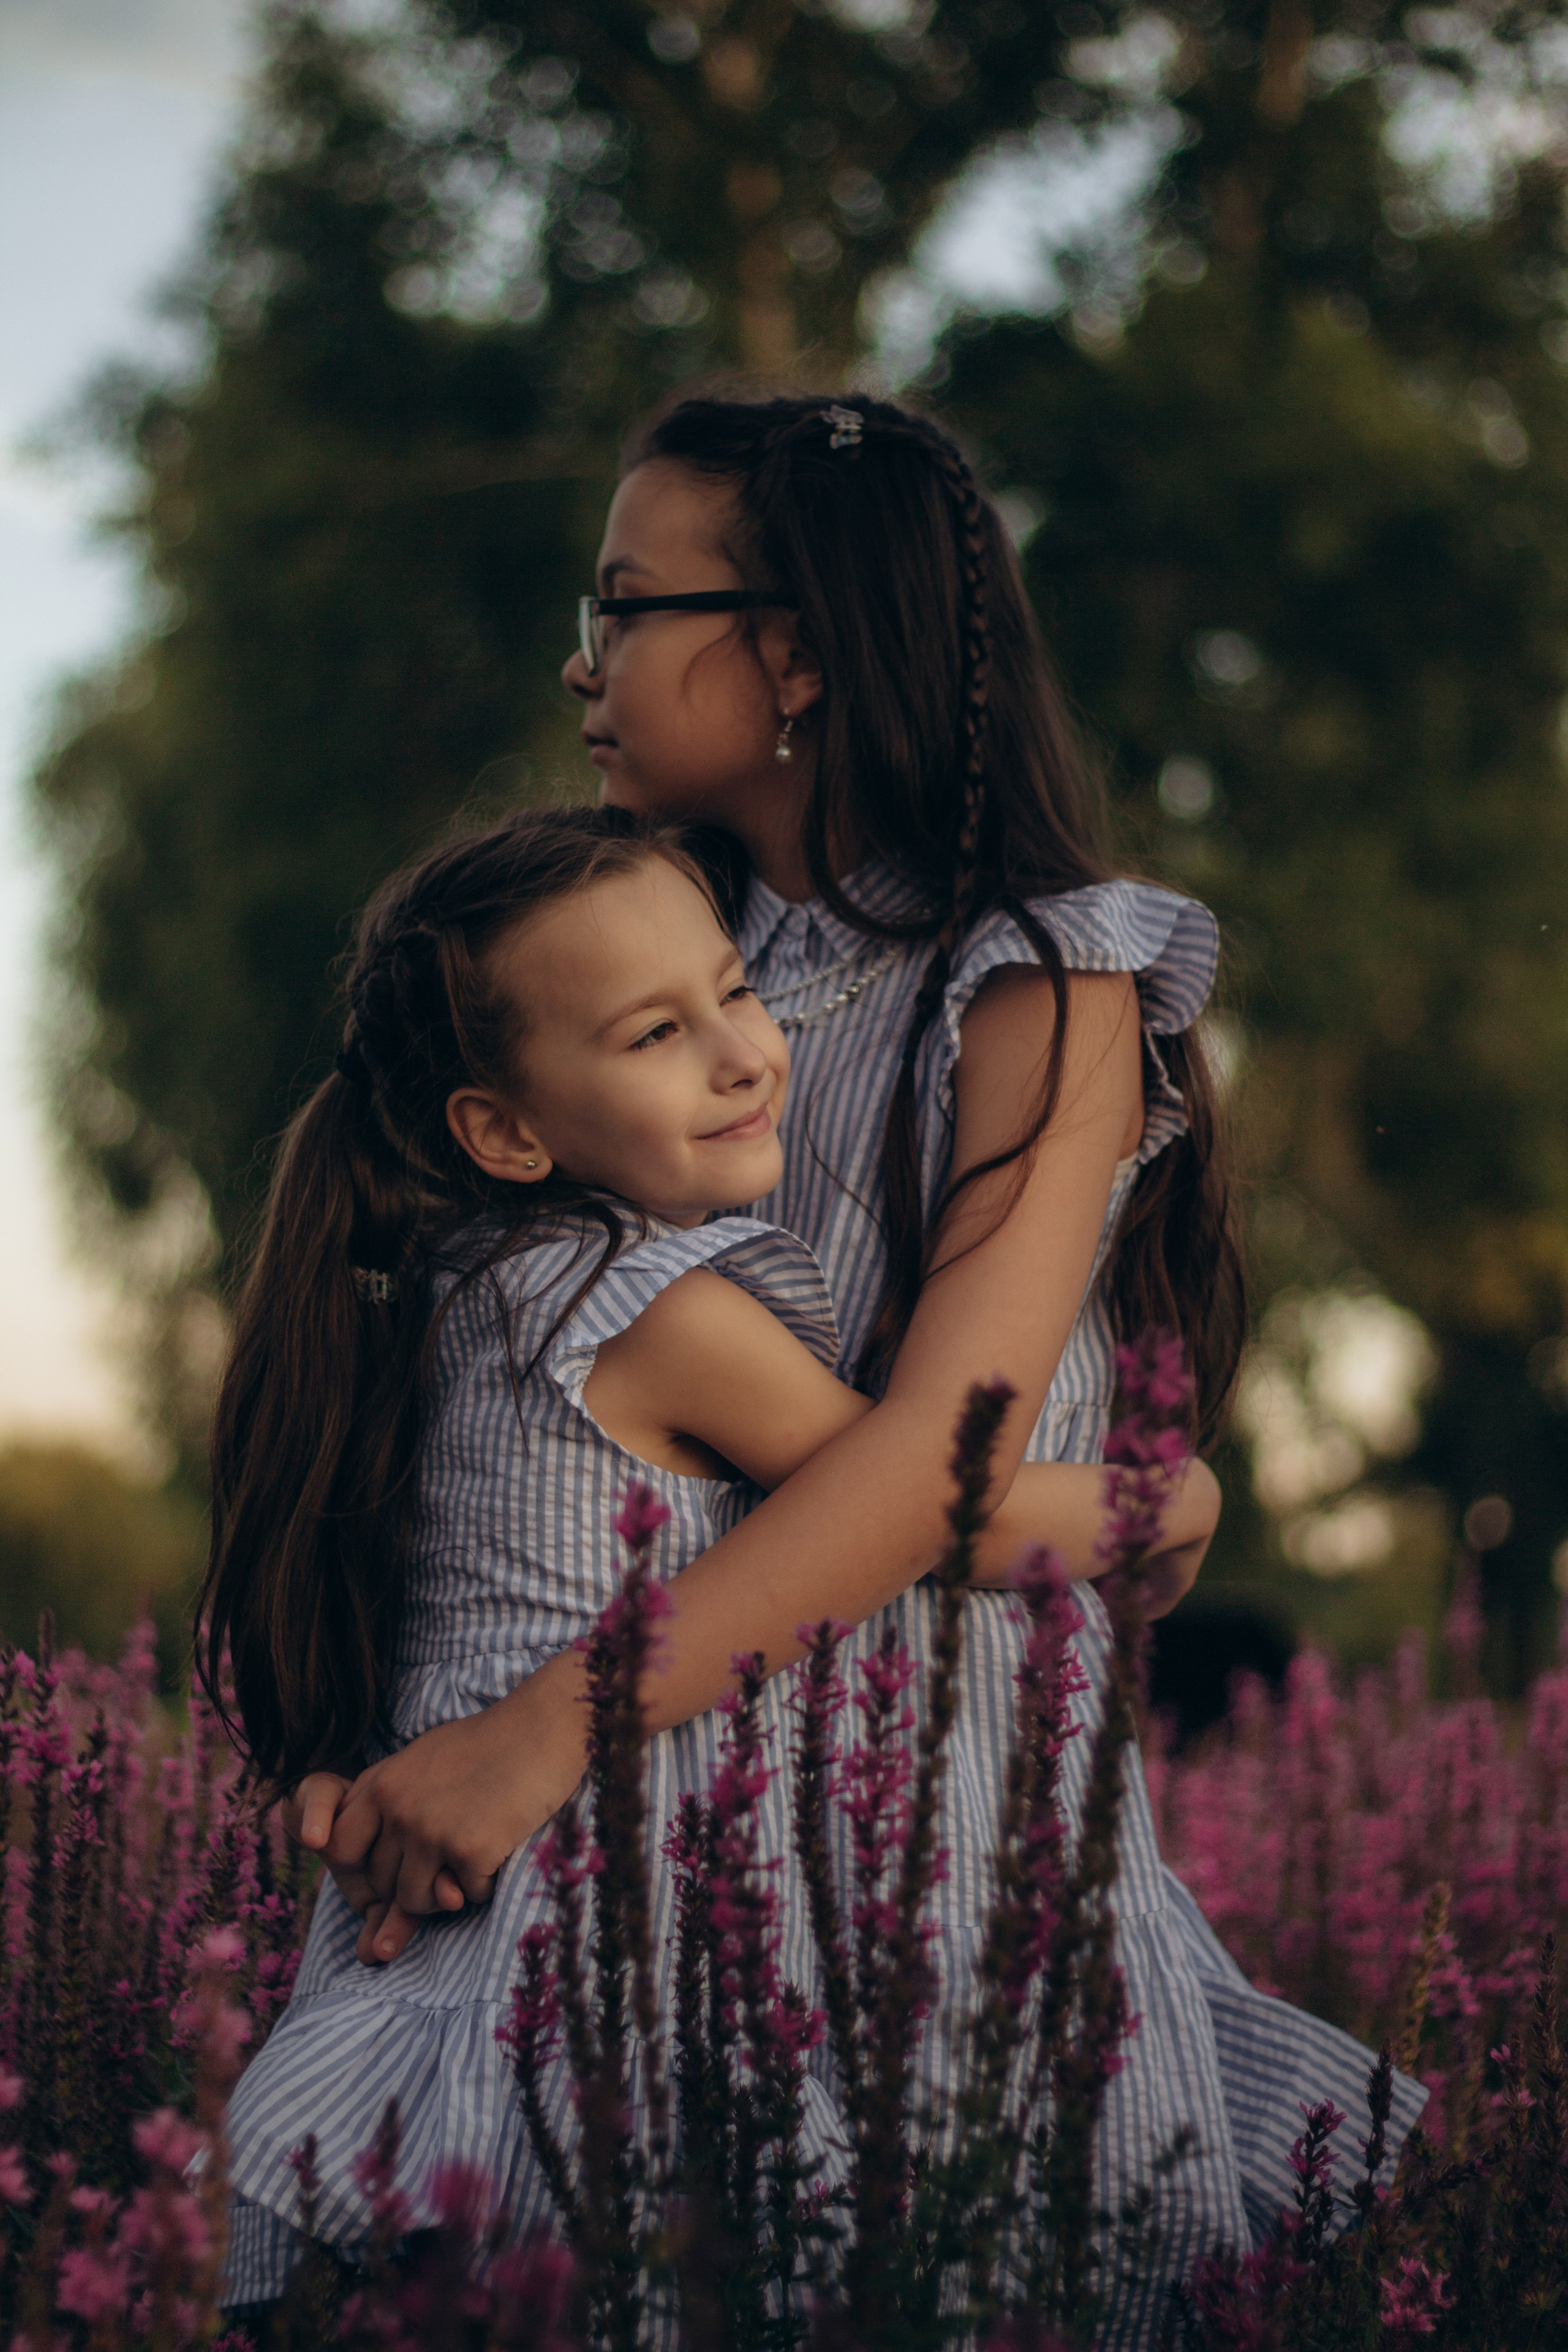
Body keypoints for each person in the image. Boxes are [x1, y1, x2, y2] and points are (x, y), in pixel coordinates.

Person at [259, 395, 1425, 2334]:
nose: (583, 655)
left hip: (950, 1888)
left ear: (793, 650)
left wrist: (528, 1735)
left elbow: (927, 1471)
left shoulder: (1044, 974)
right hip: (680, 1891)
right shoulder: (682, 966)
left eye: (628, 602)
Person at [210, 804, 1220, 2310]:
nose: (743, 1053)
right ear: (504, 1132)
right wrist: (1182, 1496)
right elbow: (934, 1510)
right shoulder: (651, 1311)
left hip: (451, 1916)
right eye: (653, 1033)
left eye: (734, 992)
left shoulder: (454, 1290)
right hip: (592, 1928)